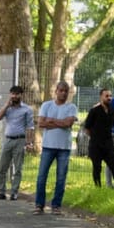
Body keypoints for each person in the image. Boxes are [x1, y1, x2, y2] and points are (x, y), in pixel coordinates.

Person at [33, 81, 79, 213]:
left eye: (66, 91)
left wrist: (51, 121)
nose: (63, 93)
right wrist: (60, 122)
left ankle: (56, 205)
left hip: (64, 147)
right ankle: (39, 204)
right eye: (61, 90)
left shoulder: (71, 107)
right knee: (42, 176)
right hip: (48, 146)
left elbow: (68, 124)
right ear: (56, 91)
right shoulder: (47, 105)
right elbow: (41, 123)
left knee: (61, 177)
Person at [0, 85, 33, 201]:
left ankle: (14, 192)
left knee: (18, 168)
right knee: (2, 167)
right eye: (12, 94)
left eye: (17, 94)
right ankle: (2, 191)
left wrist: (29, 142)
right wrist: (6, 105)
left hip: (20, 140)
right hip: (8, 140)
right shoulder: (8, 108)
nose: (14, 96)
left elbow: (30, 127)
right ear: (10, 95)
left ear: (21, 95)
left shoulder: (27, 109)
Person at [85, 86, 114, 187]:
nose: (109, 98)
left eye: (110, 96)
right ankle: (98, 187)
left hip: (108, 143)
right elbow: (87, 127)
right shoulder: (94, 111)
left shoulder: (113, 111)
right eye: (106, 96)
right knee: (97, 167)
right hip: (95, 144)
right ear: (101, 97)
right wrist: (94, 136)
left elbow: (112, 125)